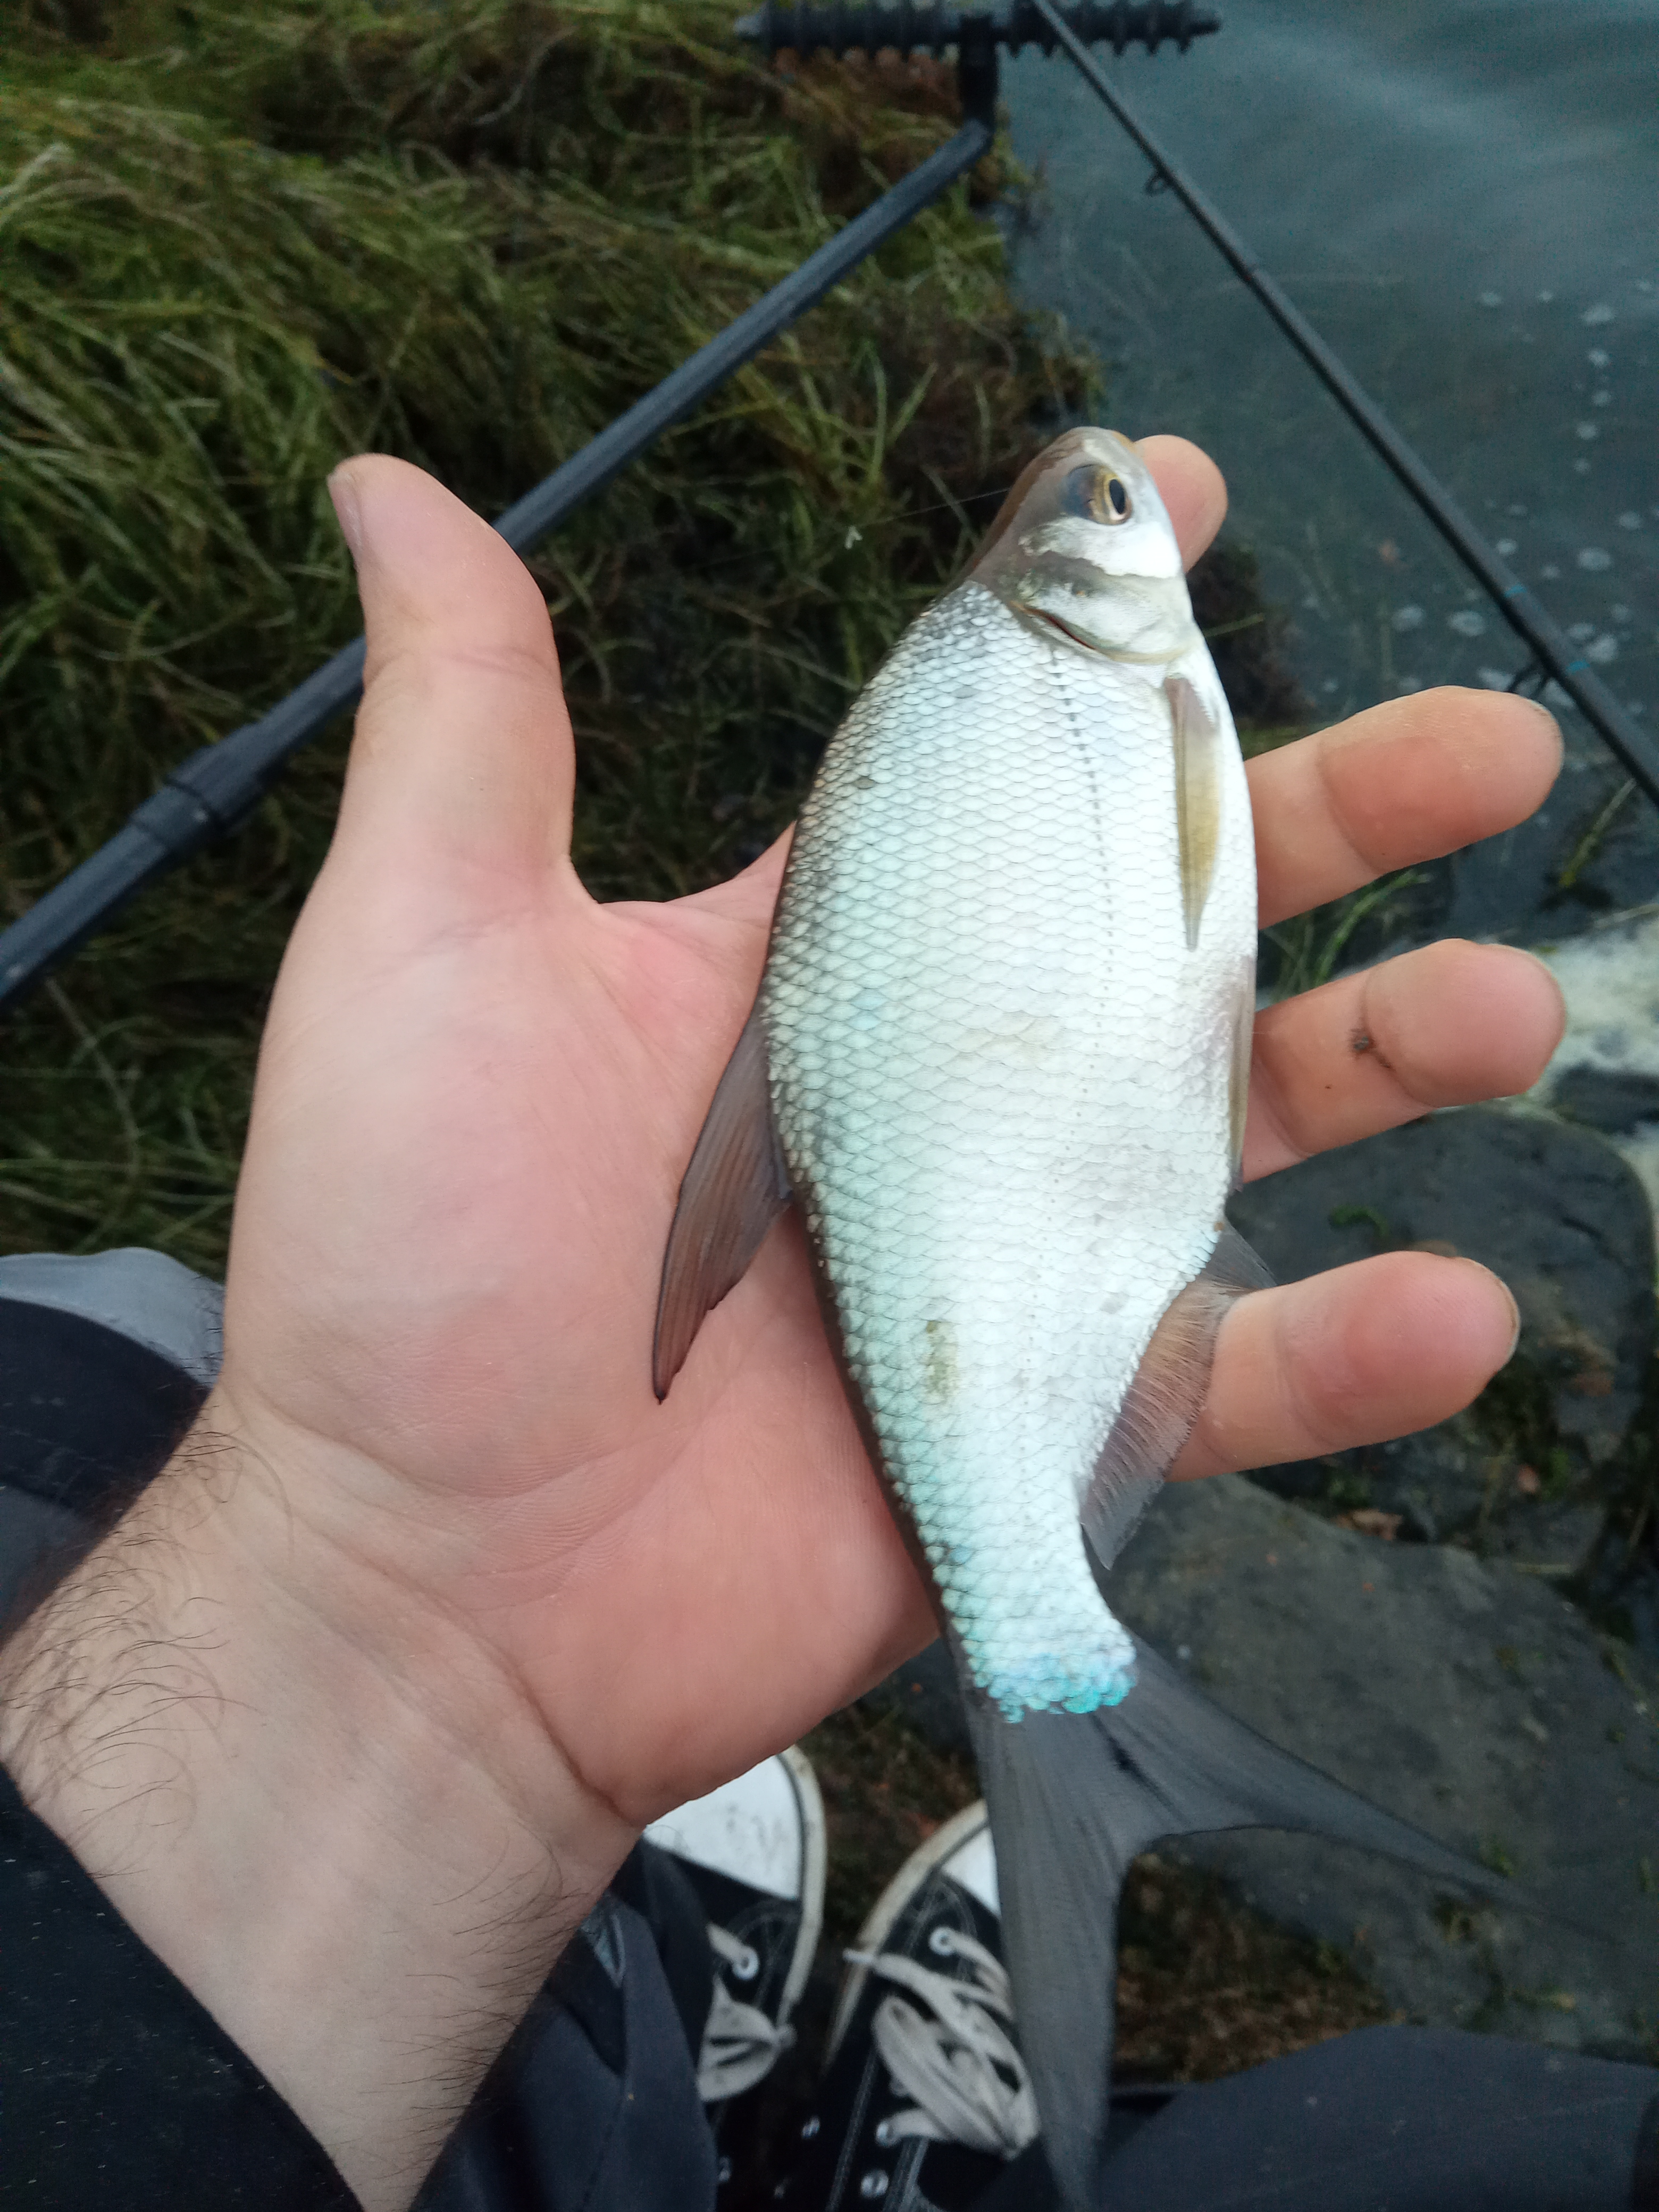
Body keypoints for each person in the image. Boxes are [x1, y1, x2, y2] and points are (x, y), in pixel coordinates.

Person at [1, 438, 1637, 2211]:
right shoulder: (1064, 678)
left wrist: (365, 1616)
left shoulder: (995, 682)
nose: (1120, 500)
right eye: (1105, 510)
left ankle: (706, 2020)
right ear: (1088, 578)